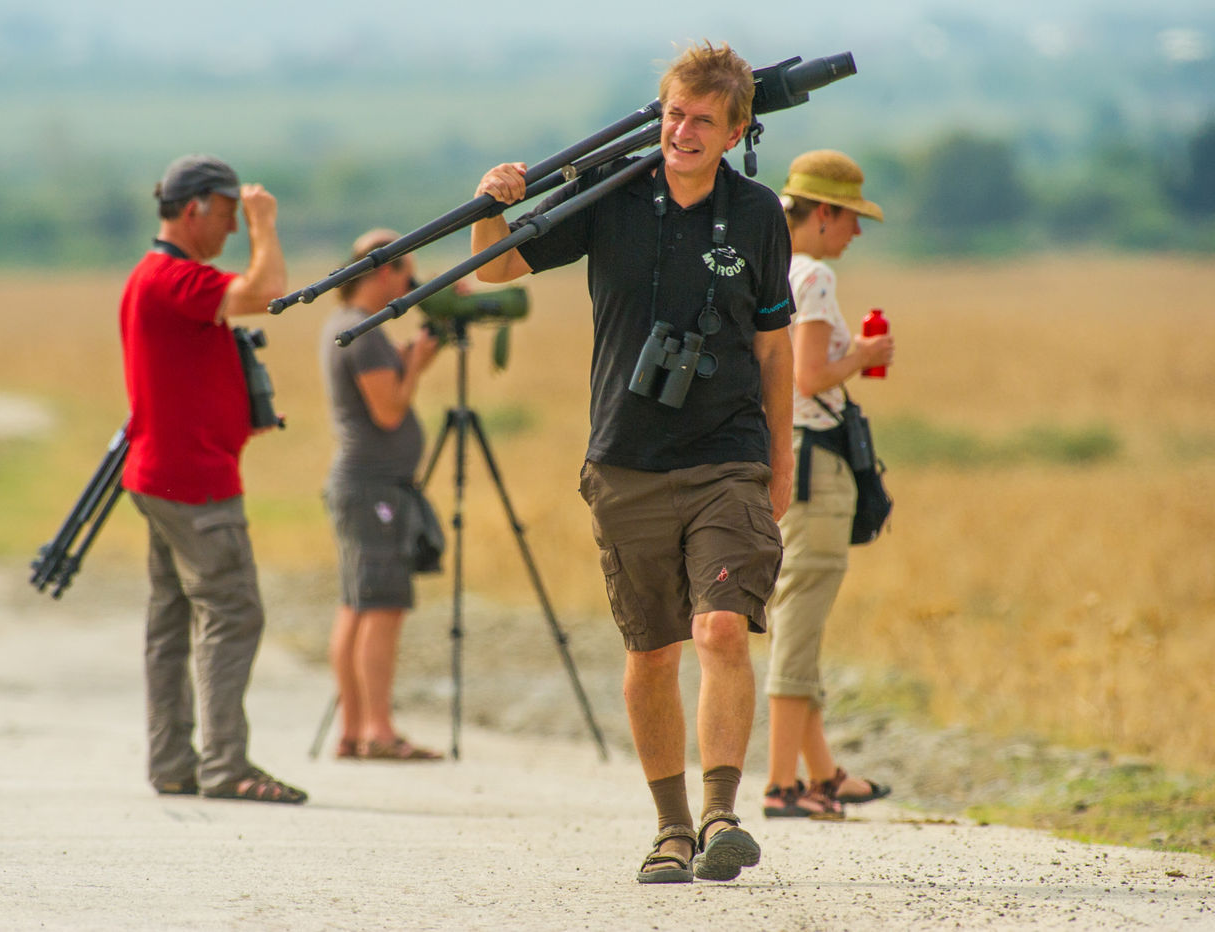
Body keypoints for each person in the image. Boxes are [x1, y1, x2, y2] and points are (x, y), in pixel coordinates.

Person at [470, 42, 794, 883]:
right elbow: (492, 267)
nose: (681, 132)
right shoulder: (611, 194)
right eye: (672, 114)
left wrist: (781, 462)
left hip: (728, 456)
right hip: (625, 459)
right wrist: (492, 203)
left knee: (721, 628)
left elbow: (774, 348)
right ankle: (672, 829)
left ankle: (724, 811)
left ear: (736, 132)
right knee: (652, 651)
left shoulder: (759, 213)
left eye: (701, 122)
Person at [119, 153, 307, 803]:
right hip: (195, 483)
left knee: (172, 620)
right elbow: (266, 292)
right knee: (233, 612)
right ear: (195, 207)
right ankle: (227, 765)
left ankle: (173, 760)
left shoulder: (155, 277)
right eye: (226, 215)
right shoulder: (174, 278)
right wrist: (265, 224)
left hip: (161, 475)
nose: (231, 230)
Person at [762, 149, 895, 818]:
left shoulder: (767, 264)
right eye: (851, 218)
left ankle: (823, 772)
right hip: (816, 462)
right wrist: (864, 356)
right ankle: (783, 785)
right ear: (823, 213)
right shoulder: (811, 274)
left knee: (796, 616)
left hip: (782, 454)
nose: (856, 233)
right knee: (801, 624)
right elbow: (810, 376)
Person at [319, 229, 444, 762]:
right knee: (383, 607)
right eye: (404, 273)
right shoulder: (364, 333)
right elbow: (389, 410)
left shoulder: (343, 327)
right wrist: (417, 362)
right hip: (373, 488)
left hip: (362, 487)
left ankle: (353, 730)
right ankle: (378, 731)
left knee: (358, 604)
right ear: (379, 272)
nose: (409, 285)